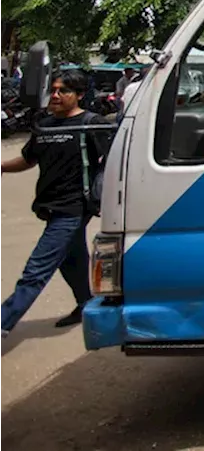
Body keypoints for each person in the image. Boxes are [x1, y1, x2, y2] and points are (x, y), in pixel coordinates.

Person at [0, 69, 113, 344]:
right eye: (54, 90)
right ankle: (86, 304)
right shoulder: (45, 124)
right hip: (50, 205)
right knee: (71, 259)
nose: (56, 95)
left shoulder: (91, 123)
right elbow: (29, 159)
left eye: (64, 91)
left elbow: (114, 159)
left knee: (35, 271)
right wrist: (1, 166)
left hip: (73, 209)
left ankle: (3, 321)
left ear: (79, 95)